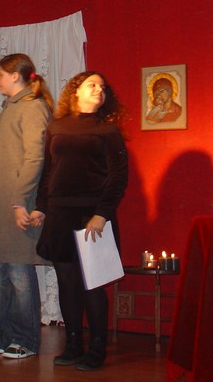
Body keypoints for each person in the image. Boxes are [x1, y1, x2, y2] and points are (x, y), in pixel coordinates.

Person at [35, 71, 128, 371]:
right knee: (67, 282)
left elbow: (118, 177)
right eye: (92, 85)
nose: (99, 89)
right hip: (59, 214)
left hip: (92, 216)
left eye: (103, 87)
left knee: (92, 285)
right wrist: (41, 207)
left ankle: (97, 348)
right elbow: (48, 172)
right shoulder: (56, 127)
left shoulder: (108, 131)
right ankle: (73, 344)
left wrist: (102, 214)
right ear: (75, 91)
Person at [0, 53, 53, 360]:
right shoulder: (8, 110)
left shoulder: (33, 107)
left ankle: (26, 339)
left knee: (19, 272)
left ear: (15, 76)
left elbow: (35, 159)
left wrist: (21, 202)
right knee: (3, 273)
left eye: (0, 75)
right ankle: (0, 335)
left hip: (18, 204)